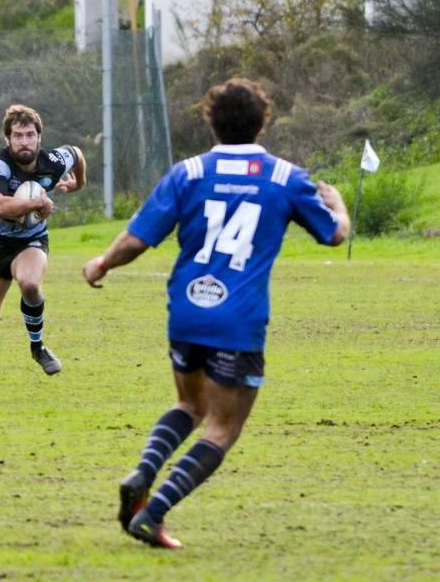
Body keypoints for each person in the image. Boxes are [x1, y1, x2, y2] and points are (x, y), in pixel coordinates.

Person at [82, 78, 350, 549]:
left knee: (190, 404)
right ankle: (154, 511)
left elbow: (137, 239)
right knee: (222, 427)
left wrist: (101, 262)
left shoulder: (187, 173)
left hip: (186, 313)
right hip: (238, 321)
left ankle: (144, 471)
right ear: (263, 120)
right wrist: (339, 207)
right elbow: (332, 235)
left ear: (211, 120)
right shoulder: (286, 178)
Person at [0, 104, 88, 401]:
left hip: (30, 242)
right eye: (18, 135)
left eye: (30, 135)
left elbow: (78, 153)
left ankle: (38, 347)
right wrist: (36, 205)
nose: (24, 141)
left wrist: (79, 183)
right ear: (8, 139)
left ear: (39, 138)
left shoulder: (54, 160)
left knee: (31, 284)